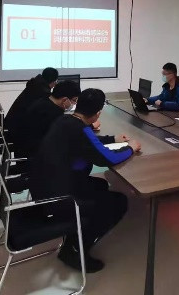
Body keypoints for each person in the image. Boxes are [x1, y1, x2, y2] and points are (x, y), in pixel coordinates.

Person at [29, 88, 141, 273]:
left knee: (101, 185)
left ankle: (79, 226)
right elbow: (107, 158)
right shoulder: (81, 130)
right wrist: (130, 148)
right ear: (98, 113)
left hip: (42, 185)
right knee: (119, 202)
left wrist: (112, 138)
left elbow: (88, 142)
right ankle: (73, 250)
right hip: (57, 197)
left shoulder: (65, 120)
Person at [10, 80, 81, 159]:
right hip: (34, 157)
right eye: (74, 100)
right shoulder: (53, 114)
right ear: (64, 100)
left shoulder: (43, 101)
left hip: (23, 150)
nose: (75, 104)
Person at [3, 67, 58, 132]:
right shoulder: (43, 92)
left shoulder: (35, 84)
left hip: (11, 124)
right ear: (53, 81)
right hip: (17, 129)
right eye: (56, 81)